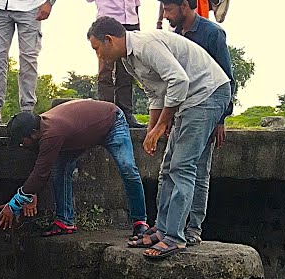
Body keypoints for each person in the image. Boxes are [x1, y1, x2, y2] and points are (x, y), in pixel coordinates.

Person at [87, 17, 231, 260]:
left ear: (109, 40)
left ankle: (175, 237)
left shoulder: (145, 45)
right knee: (166, 169)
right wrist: (151, 131)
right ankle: (163, 230)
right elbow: (156, 94)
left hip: (207, 95)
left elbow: (179, 80)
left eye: (97, 49)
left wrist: (162, 124)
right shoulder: (129, 59)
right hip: (190, 99)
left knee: (182, 167)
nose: (99, 56)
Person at [0, 99, 149, 241]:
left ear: (34, 133)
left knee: (127, 168)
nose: (21, 146)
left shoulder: (52, 133)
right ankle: (65, 221)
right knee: (60, 169)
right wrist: (30, 194)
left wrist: (14, 205)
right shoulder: (41, 128)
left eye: (22, 142)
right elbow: (41, 166)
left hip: (111, 122)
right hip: (82, 133)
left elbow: (41, 173)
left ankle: (140, 221)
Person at [156, 0, 235, 245]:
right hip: (185, 107)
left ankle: (193, 228)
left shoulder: (212, 34)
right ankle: (167, 226)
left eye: (169, 10)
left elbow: (226, 77)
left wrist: (221, 119)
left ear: (185, 6)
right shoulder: (175, 36)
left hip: (209, 106)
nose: (165, 16)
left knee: (197, 171)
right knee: (174, 168)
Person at [81, 0, 145, 128]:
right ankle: (106, 115)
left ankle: (126, 114)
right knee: (105, 69)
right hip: (107, 19)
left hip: (130, 19)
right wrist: (103, 4)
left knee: (127, 71)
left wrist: (137, 17)